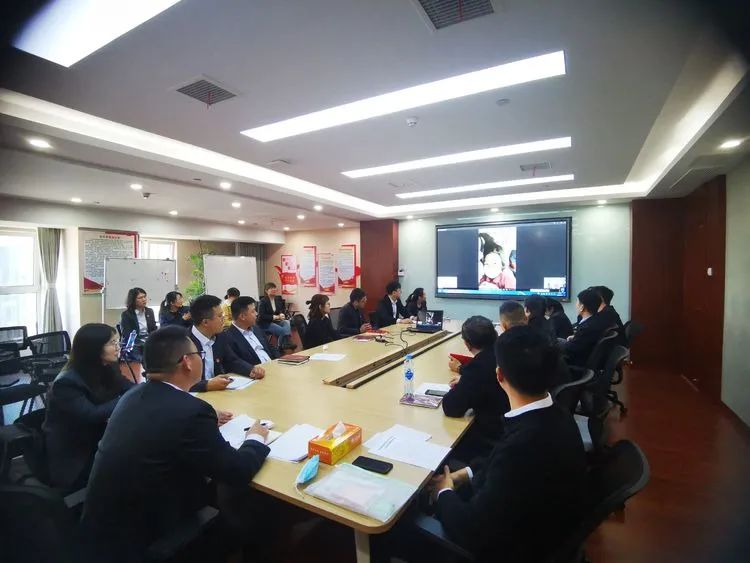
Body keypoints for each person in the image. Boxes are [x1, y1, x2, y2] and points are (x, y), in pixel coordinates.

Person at [80, 326, 271, 562]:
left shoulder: (132, 396)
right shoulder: (191, 412)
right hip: (149, 540)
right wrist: (255, 437)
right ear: (187, 362)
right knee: (254, 512)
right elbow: (238, 471)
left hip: (103, 533)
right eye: (199, 355)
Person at [429, 325, 587, 562]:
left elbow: (472, 531)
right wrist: (465, 474)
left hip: (513, 548)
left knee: (402, 525)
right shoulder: (558, 414)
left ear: (500, 375)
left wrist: (444, 491)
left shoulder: (522, 447)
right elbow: (500, 463)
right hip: (541, 524)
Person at [43, 324, 135, 492]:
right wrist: (127, 399)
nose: (118, 347)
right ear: (94, 348)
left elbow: (128, 387)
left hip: (101, 435)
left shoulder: (108, 366)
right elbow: (91, 415)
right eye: (112, 343)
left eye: (118, 342)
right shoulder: (67, 382)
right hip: (77, 450)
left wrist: (147, 389)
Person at [443, 316, 507, 461]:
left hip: (493, 437)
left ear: (467, 344)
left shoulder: (477, 368)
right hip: (510, 426)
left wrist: (464, 382)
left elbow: (451, 407)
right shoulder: (501, 353)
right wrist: (465, 379)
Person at [188, 294, 255, 392]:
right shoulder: (183, 343)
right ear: (205, 322)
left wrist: (251, 369)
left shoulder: (221, 336)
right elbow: (178, 382)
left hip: (218, 391)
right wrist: (206, 385)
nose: (223, 319)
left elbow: (232, 360)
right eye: (220, 316)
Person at [500, 300, 571, 388]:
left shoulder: (506, 346)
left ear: (503, 326)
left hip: (542, 390)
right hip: (559, 387)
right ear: (526, 319)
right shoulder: (542, 335)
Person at [223, 296, 278, 375]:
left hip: (273, 367)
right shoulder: (228, 337)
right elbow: (234, 363)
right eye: (253, 311)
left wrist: (280, 359)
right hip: (257, 374)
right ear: (242, 316)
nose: (256, 314)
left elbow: (269, 347)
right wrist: (252, 370)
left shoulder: (256, 328)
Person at [559, 288, 605, 366]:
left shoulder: (587, 328)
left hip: (575, 363)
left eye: (577, 302)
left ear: (582, 307)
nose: (576, 305)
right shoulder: (594, 321)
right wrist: (575, 338)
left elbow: (570, 349)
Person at [119, 287, 157, 381]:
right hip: (134, 341)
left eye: (144, 297)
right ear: (133, 300)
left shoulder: (149, 311)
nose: (144, 299)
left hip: (148, 339)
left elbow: (153, 329)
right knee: (144, 356)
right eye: (140, 298)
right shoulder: (127, 314)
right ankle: (149, 375)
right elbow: (127, 334)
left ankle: (152, 375)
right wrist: (141, 342)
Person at [258, 282, 292, 348]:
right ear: (266, 291)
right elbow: (261, 316)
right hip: (265, 323)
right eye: (271, 288)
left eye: (274, 288)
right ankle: (283, 344)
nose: (274, 289)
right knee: (282, 330)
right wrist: (275, 317)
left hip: (275, 321)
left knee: (287, 322)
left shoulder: (277, 299)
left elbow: (281, 311)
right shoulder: (263, 301)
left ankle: (284, 343)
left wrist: (281, 314)